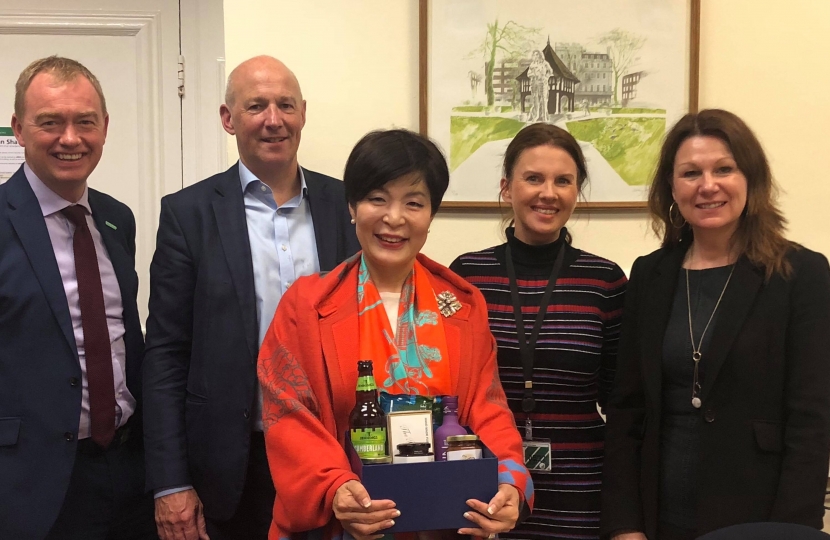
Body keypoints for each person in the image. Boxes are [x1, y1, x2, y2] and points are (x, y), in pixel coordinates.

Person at [257, 128, 533, 540]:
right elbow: (288, 414)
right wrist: (335, 487)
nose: (394, 218)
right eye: (377, 199)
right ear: (352, 207)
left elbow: (487, 407)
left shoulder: (461, 304)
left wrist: (511, 481)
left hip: (443, 523)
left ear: (431, 214)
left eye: (414, 203)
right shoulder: (307, 305)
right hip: (342, 525)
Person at [142, 55, 359, 540]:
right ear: (228, 118)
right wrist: (170, 482)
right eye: (256, 106)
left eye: (285, 105)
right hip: (226, 468)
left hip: (330, 459)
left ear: (303, 112)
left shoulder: (346, 207)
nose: (273, 119)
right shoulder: (188, 214)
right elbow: (166, 354)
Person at [600, 109, 830, 540]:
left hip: (757, 516)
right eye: (691, 173)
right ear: (672, 187)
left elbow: (812, 421)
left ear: (751, 178)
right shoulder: (650, 274)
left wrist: (789, 530)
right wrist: (623, 524)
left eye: (724, 168)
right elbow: (627, 409)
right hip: (657, 514)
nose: (708, 185)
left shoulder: (801, 274)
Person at [0, 56, 155, 539]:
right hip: (31, 486)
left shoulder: (116, 219)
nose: (70, 138)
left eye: (84, 121)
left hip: (130, 471)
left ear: (104, 127)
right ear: (19, 130)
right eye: (50, 122)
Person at [450, 123, 627, 540]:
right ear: (506, 188)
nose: (549, 192)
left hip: (582, 491)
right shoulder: (467, 277)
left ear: (576, 192)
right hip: (487, 488)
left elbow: (622, 402)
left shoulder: (604, 281)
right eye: (534, 178)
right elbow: (453, 393)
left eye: (563, 181)